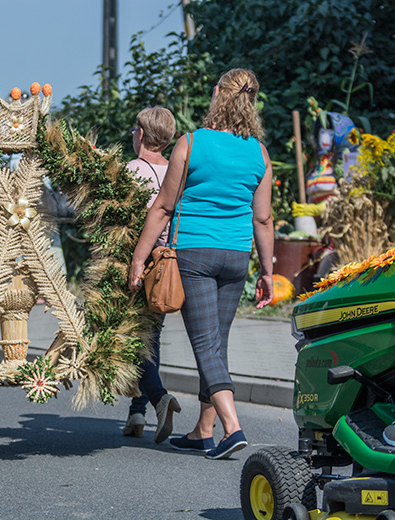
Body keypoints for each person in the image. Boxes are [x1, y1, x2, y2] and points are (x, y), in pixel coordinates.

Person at [128, 69, 274, 460]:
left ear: (217, 96)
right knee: (216, 345)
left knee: (206, 345)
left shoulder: (190, 145)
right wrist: (268, 272)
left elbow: (162, 207)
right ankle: (203, 430)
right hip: (236, 257)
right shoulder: (258, 152)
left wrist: (139, 259)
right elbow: (262, 219)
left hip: (194, 255)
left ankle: (232, 428)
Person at [122, 107, 181, 443]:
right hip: (167, 268)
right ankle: (136, 413)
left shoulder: (133, 170)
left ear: (141, 135)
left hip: (140, 263)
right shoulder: (177, 171)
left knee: (132, 342)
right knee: (151, 339)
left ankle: (159, 399)